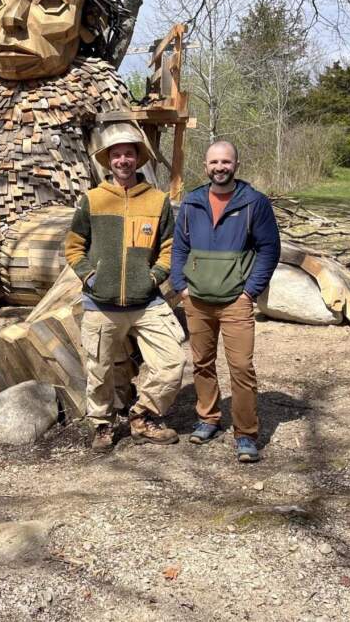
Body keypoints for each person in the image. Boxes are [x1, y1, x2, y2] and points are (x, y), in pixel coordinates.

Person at [65, 123, 187, 452]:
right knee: (100, 370)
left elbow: (169, 247)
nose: (123, 160)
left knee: (172, 362)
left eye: (129, 154)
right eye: (116, 155)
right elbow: (74, 246)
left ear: (138, 159)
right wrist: (90, 277)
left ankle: (142, 417)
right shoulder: (92, 200)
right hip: (100, 304)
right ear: (108, 161)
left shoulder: (158, 200)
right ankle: (102, 425)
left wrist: (153, 277)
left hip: (147, 302)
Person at [169, 140, 281, 463]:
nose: (220, 167)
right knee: (202, 363)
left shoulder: (254, 203)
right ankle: (208, 418)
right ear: (205, 166)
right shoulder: (191, 203)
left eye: (226, 162)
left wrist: (250, 292)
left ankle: (246, 434)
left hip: (236, 301)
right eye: (214, 162)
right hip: (197, 300)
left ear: (236, 165)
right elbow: (179, 248)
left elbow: (269, 249)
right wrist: (181, 287)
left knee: (241, 367)